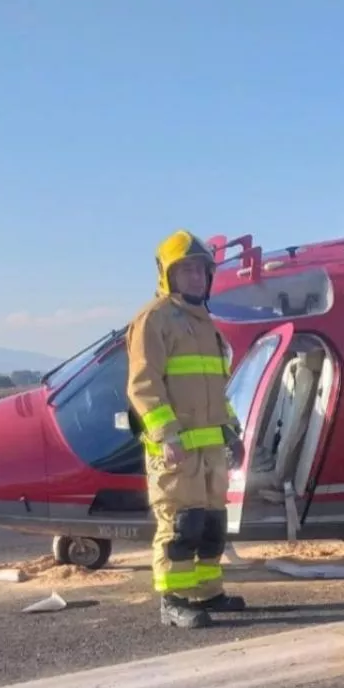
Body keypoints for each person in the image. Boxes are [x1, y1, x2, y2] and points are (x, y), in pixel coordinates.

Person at [125, 228, 247, 629]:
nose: (196, 277)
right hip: (176, 451)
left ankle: (208, 592)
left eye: (201, 270)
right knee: (181, 525)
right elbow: (144, 386)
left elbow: (216, 388)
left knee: (211, 525)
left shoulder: (205, 324)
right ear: (168, 275)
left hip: (210, 450)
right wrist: (166, 435)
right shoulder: (154, 320)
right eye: (186, 270)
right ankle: (173, 600)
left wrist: (231, 430)